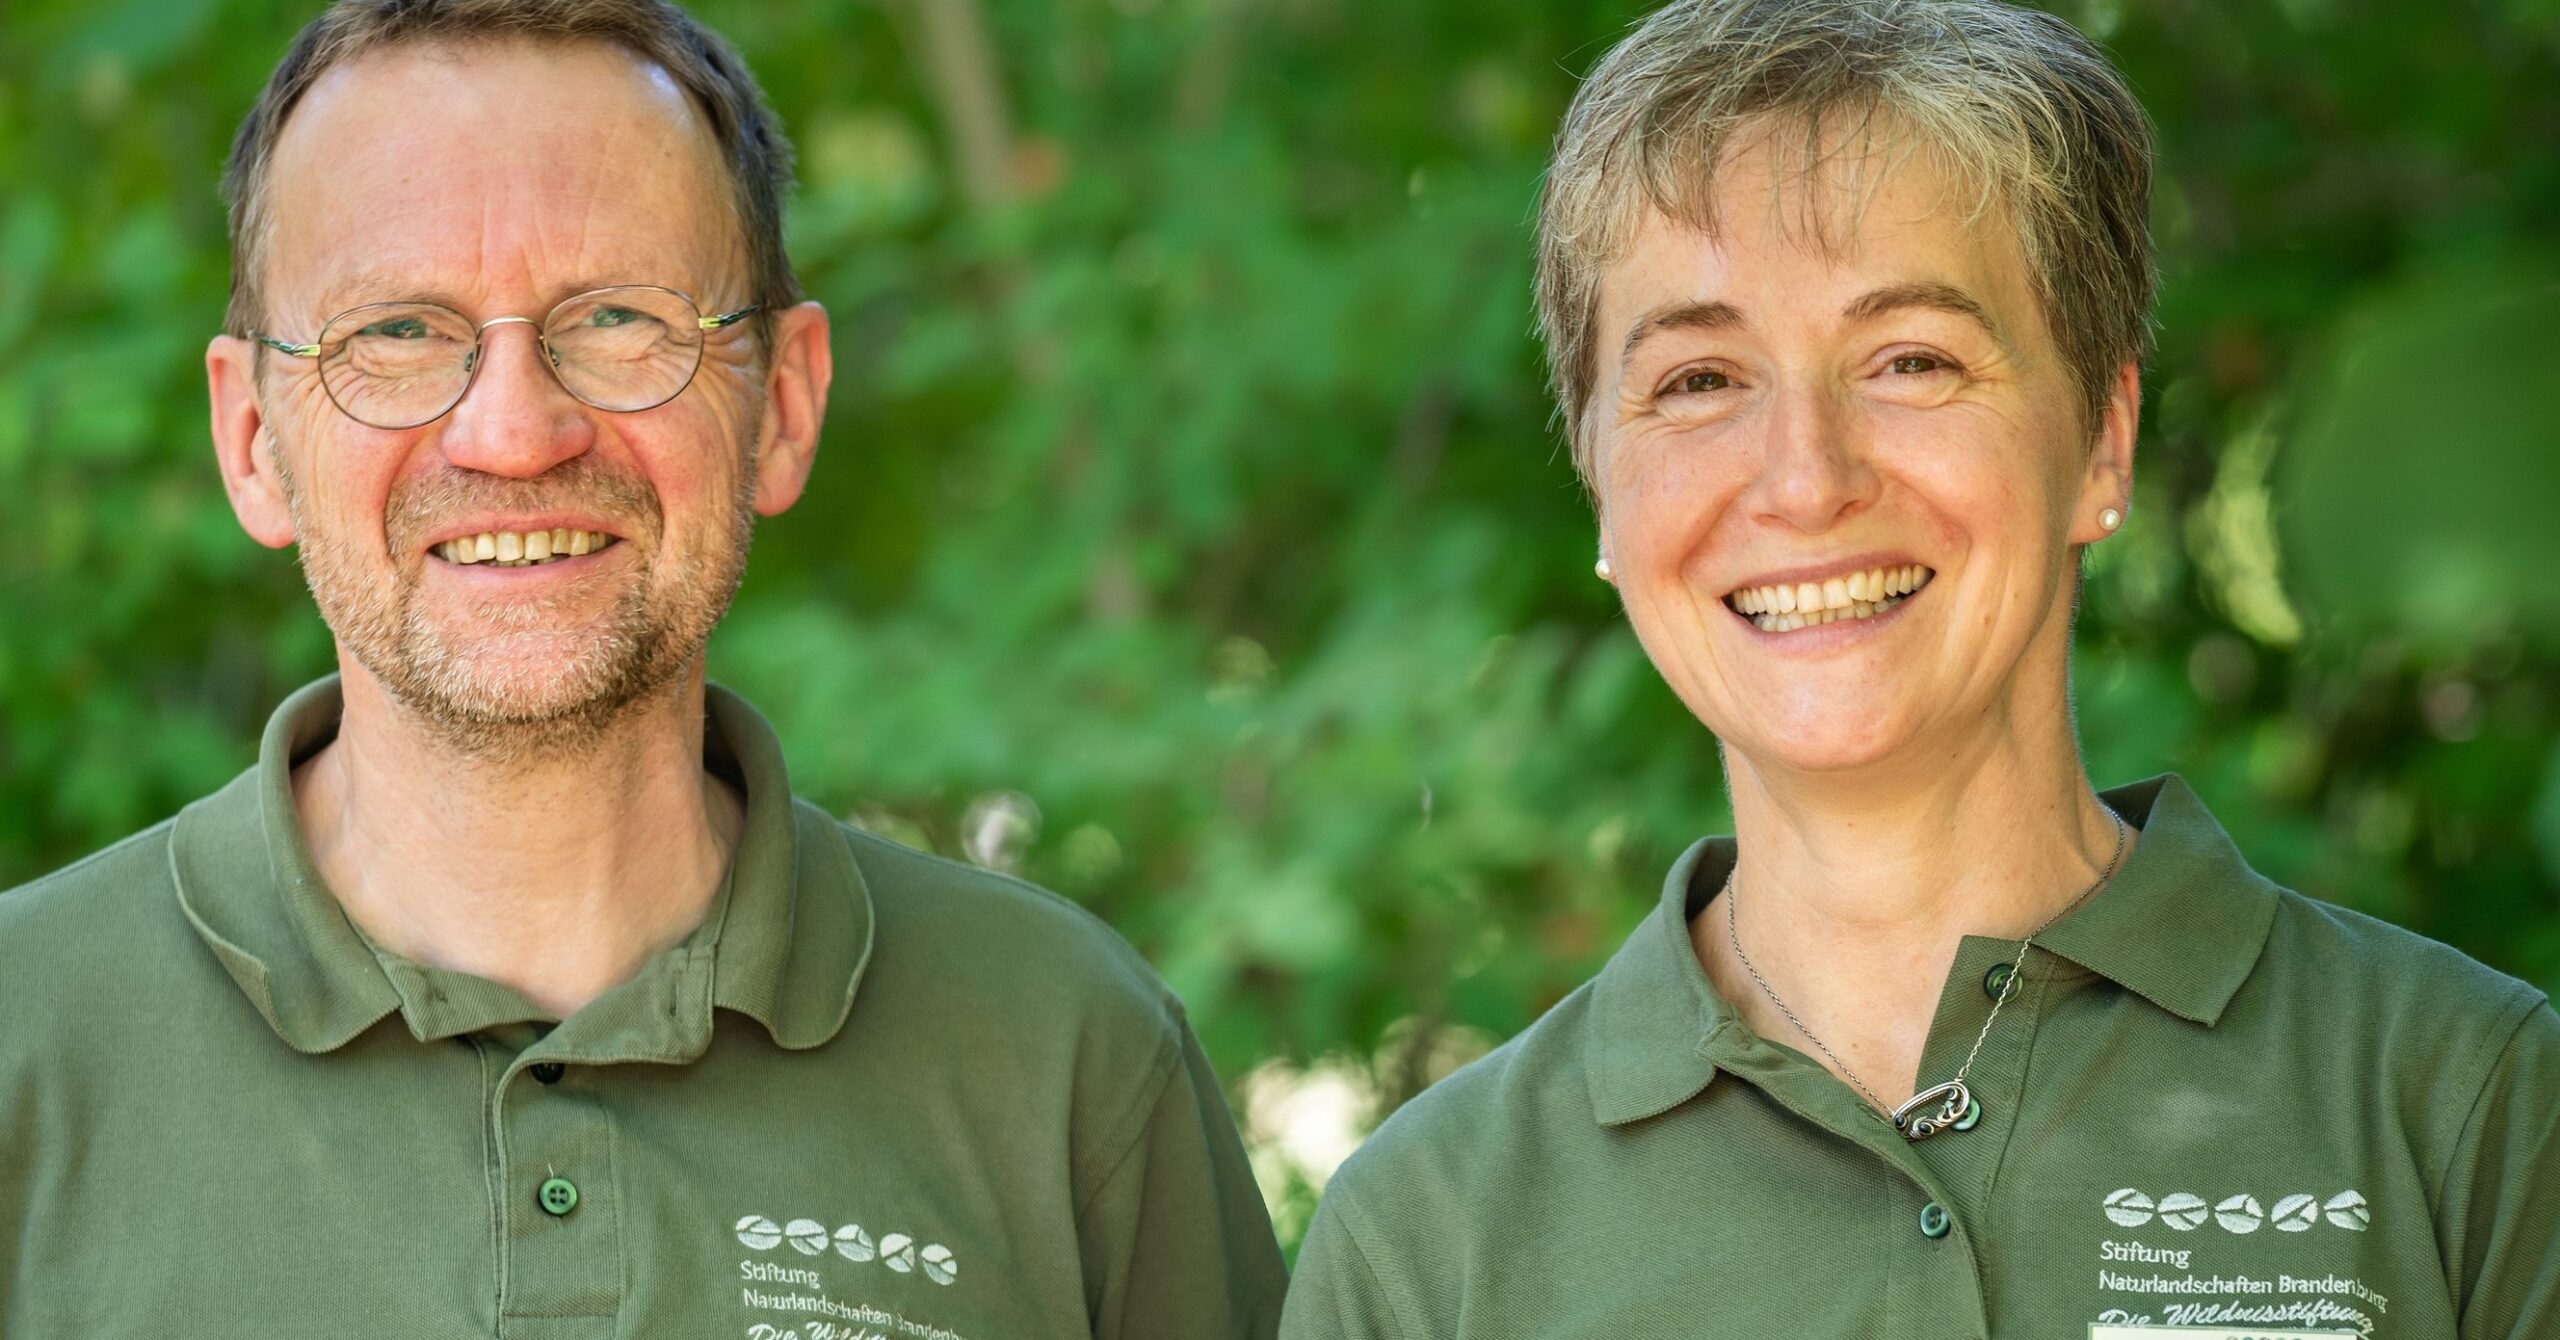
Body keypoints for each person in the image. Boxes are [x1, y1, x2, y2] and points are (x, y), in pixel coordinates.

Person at [0, 2, 1285, 1334]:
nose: (513, 431)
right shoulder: (20, 1053)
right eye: (396, 333)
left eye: (619, 317)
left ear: (782, 405)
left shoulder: (1064, 1058)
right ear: (253, 436)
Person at [1281, 1, 2559, 1335]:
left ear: (2103, 443)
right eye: (1701, 380)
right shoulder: (1428, 1241)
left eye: (1910, 360)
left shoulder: (2465, 1104)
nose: (1805, 480)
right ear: (1602, 485)